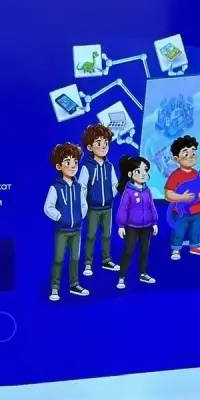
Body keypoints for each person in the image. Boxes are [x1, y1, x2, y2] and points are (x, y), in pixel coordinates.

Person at [42, 141, 90, 302]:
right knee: (59, 259)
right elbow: (48, 207)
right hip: (62, 231)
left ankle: (74, 285)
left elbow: (84, 204)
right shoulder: (55, 188)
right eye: (67, 162)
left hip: (76, 230)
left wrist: (79, 217)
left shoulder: (78, 187)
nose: (73, 165)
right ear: (58, 166)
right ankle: (55, 288)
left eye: (75, 162)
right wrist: (60, 217)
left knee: (75, 259)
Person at [78, 123, 122, 277]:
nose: (103, 146)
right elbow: (82, 187)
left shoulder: (109, 166)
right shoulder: (87, 167)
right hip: (92, 209)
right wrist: (84, 204)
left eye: (106, 143)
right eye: (99, 143)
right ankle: (88, 264)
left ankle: (106, 260)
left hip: (107, 208)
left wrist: (111, 195)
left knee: (107, 235)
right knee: (90, 236)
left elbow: (115, 184)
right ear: (90, 147)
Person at [113, 154, 159, 288]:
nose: (143, 174)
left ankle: (143, 273)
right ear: (130, 174)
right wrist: (121, 225)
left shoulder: (147, 191)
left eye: (145, 170)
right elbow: (123, 209)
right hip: (131, 227)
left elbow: (152, 206)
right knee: (128, 250)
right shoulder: (128, 192)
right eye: (138, 171)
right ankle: (122, 277)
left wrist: (154, 222)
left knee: (145, 250)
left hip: (147, 226)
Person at [164, 135, 200, 259]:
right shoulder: (175, 175)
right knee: (178, 231)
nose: (191, 155)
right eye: (186, 153)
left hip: (198, 211)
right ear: (176, 158)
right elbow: (168, 194)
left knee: (196, 231)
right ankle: (176, 249)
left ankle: (195, 246)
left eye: (193, 152)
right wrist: (181, 197)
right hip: (181, 212)